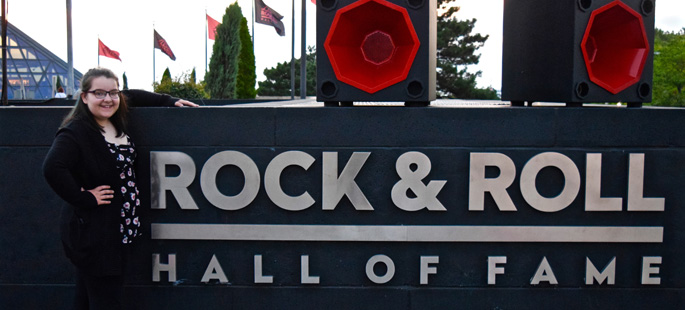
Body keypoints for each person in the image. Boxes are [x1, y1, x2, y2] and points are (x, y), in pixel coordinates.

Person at [42, 67, 197, 310]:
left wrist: (170, 100)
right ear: (84, 97)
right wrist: (85, 198)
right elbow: (53, 168)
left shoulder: (115, 118)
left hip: (116, 230)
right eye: (99, 93)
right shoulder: (77, 131)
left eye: (113, 93)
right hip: (95, 234)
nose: (108, 99)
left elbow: (134, 95)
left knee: (87, 296)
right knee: (106, 300)